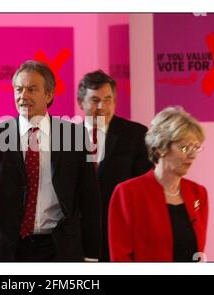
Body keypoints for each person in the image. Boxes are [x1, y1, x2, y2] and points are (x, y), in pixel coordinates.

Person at [0, 60, 100, 261]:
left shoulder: (74, 137)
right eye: (19, 89)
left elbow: (89, 198)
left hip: (59, 250)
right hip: (6, 249)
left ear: (49, 95)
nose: (23, 96)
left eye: (32, 89)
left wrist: (92, 255)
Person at [108, 106, 208, 262]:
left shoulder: (198, 193)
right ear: (161, 148)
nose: (193, 155)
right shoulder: (127, 193)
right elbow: (120, 258)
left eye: (196, 147)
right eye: (185, 147)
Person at [77, 70, 152, 261]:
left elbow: (144, 188)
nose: (102, 106)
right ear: (81, 103)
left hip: (121, 236)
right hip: (78, 241)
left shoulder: (135, 135)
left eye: (108, 99)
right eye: (95, 100)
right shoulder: (67, 137)